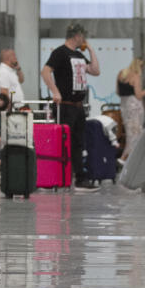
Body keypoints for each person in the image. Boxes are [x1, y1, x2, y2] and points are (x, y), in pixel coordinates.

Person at [41, 22, 101, 191]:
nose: (84, 39)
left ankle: (80, 177)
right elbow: (45, 71)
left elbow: (95, 71)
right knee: (63, 142)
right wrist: (55, 91)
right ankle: (59, 175)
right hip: (65, 105)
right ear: (77, 36)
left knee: (78, 142)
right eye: (83, 37)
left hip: (78, 106)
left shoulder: (80, 55)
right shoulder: (60, 53)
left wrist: (90, 50)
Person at [116, 57, 145, 163]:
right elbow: (139, 95)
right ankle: (127, 158)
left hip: (124, 105)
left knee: (129, 132)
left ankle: (128, 157)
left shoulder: (121, 74)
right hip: (135, 106)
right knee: (136, 133)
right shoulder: (136, 77)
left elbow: (118, 92)